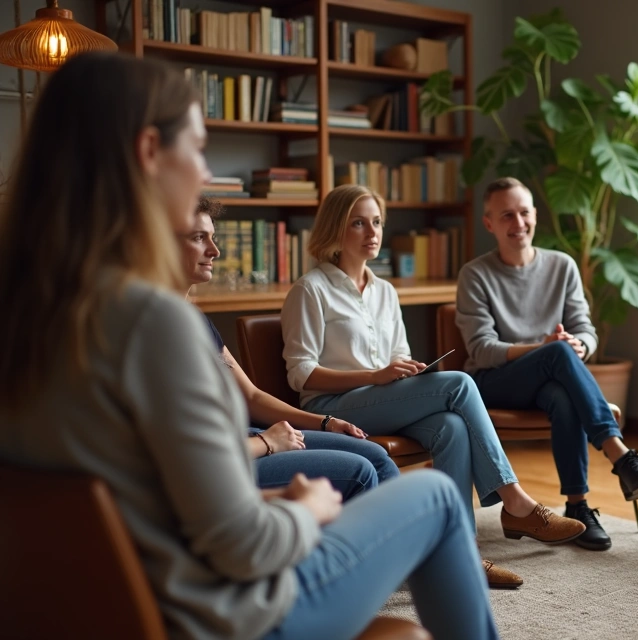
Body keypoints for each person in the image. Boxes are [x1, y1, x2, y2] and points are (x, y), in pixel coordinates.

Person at [0, 52, 497, 640]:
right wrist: (304, 509)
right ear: (149, 152)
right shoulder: (153, 323)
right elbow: (244, 549)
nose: (204, 172)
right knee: (436, 495)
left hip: (98, 612)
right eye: (201, 148)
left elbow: (128, 487)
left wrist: (249, 488)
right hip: (220, 618)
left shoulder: (25, 315)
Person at [280, 184, 586, 582]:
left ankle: (462, 553)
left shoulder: (385, 292)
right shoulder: (310, 289)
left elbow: (397, 353)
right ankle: (515, 501)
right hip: (329, 407)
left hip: (380, 400)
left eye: (377, 222)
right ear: (335, 229)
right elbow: (301, 373)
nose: (372, 232)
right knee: (458, 384)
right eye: (358, 223)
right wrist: (375, 376)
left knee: (452, 427)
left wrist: (402, 370)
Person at [455, 177, 638, 551]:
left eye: (524, 213)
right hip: (492, 382)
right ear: (489, 223)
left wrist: (578, 345)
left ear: (535, 215)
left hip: (549, 379)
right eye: (507, 215)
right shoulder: (475, 274)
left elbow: (585, 330)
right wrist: (547, 347)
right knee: (556, 355)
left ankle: (578, 508)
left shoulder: (562, 266)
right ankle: (620, 457)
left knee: (562, 393)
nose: (518, 223)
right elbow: (483, 349)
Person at [180, 196, 397, 501]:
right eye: (199, 238)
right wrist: (268, 442)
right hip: (234, 453)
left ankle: (401, 546)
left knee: (375, 455)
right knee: (361, 471)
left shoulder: (195, 320)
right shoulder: (156, 329)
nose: (215, 251)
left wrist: (325, 422)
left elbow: (251, 396)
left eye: (213, 238)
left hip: (251, 435)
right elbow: (184, 452)